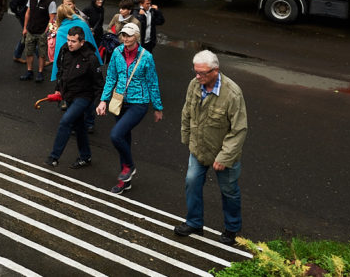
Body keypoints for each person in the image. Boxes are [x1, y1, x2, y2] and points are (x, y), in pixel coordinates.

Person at [174, 49, 248, 246]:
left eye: (202, 73)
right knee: (191, 182)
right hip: (198, 148)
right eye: (195, 72)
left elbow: (239, 130)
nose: (197, 77)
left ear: (215, 71)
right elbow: (186, 112)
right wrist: (187, 139)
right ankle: (194, 223)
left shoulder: (232, 93)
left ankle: (232, 229)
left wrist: (224, 158)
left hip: (223, 154)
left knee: (229, 190)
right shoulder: (194, 84)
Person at [95, 22, 163, 194]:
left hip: (139, 103)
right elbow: (110, 77)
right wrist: (103, 100)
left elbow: (152, 82)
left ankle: (129, 167)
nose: (125, 38)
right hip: (119, 101)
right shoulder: (117, 53)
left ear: (137, 36)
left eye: (129, 35)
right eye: (123, 35)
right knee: (123, 138)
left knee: (116, 135)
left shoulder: (146, 56)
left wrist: (157, 107)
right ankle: (125, 181)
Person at [45, 26, 104, 169]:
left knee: (65, 122)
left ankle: (53, 157)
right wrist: (58, 89)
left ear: (82, 42)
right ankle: (86, 156)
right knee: (79, 127)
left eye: (73, 41)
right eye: (68, 40)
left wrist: (100, 103)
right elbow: (61, 70)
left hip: (83, 97)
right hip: (69, 95)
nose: (70, 43)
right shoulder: (65, 50)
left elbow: (99, 83)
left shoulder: (91, 59)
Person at [20, 0, 56, 83]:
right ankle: (29, 71)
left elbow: (52, 19)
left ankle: (40, 73)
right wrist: (25, 28)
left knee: (42, 54)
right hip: (30, 31)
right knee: (29, 52)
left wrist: (46, 32)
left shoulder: (51, 2)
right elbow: (27, 13)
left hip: (42, 33)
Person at [9, 0, 36, 64]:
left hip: (32, 19)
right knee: (32, 37)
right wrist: (18, 13)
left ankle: (17, 55)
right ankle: (41, 59)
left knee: (25, 37)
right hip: (24, 19)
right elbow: (12, 4)